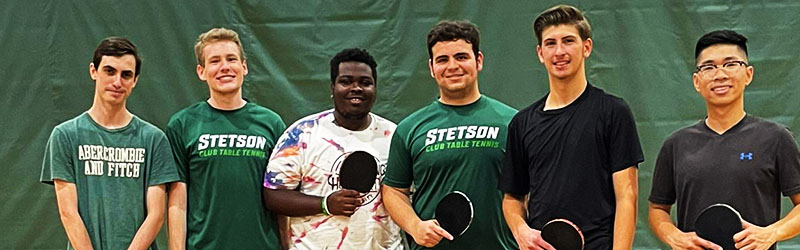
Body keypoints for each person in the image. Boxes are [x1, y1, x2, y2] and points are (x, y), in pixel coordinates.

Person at [499, 5, 642, 250]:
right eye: (550, 43)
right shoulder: (522, 123)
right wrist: (521, 230)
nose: (559, 51)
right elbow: (512, 197)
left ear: (586, 47)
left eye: (568, 41)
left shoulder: (613, 112)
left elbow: (627, 196)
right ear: (540, 53)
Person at [648, 29, 800, 250]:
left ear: (748, 74)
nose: (720, 74)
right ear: (696, 81)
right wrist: (674, 237)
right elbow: (657, 209)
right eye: (709, 67)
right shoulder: (676, 144)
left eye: (730, 64)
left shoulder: (776, 138)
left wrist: (771, 233)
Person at [381, 20, 518, 250]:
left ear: (479, 61)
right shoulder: (409, 128)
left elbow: (531, 191)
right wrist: (415, 226)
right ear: (432, 68)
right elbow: (394, 190)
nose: (452, 66)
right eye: (443, 60)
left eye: (462, 57)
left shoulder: (513, 123)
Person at [40, 37, 180, 249]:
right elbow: (68, 213)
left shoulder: (153, 139)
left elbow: (156, 216)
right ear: (93, 71)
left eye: (126, 75)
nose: (117, 82)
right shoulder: (65, 135)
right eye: (109, 71)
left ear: (135, 80)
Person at [263, 48, 402, 249]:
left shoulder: (394, 136)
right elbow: (273, 195)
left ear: (375, 88)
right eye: (346, 81)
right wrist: (325, 204)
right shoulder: (302, 134)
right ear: (332, 87)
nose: (356, 88)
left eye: (365, 83)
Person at [166, 27, 286, 249]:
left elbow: (282, 197)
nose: (224, 67)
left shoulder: (272, 124)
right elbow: (177, 203)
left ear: (244, 67)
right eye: (214, 61)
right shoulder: (182, 124)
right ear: (201, 72)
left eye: (231, 59)